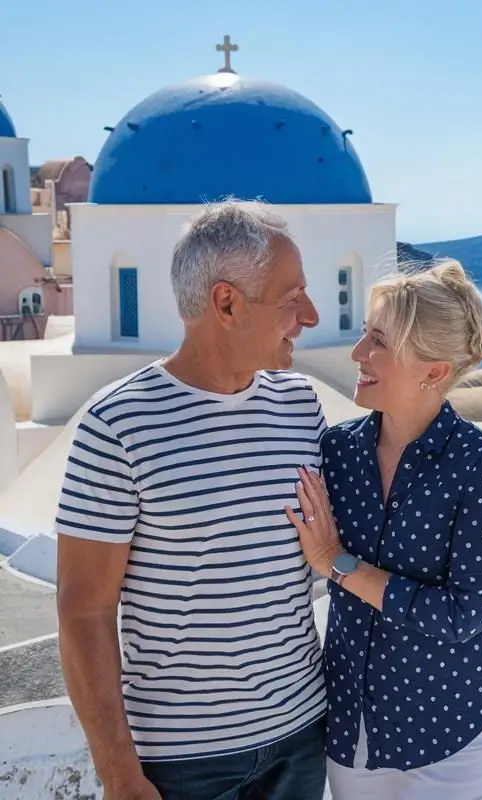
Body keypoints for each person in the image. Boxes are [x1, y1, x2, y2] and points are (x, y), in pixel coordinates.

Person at [55, 200, 331, 799]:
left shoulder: (301, 405)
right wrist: (119, 775)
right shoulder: (117, 425)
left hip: (302, 736)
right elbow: (84, 612)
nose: (311, 315)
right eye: (292, 298)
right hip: (182, 763)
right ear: (227, 303)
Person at [284, 259, 482, 799]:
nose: (357, 353)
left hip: (455, 735)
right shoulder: (337, 452)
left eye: (379, 342)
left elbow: (461, 616)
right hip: (354, 732)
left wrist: (337, 563)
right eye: (365, 334)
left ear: (433, 372)